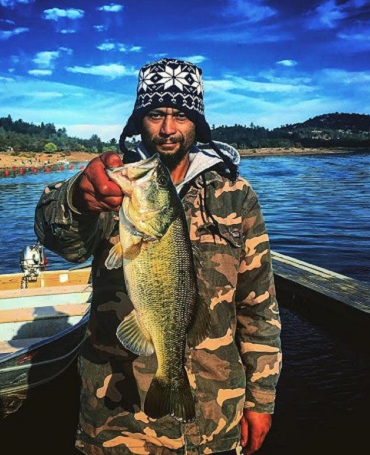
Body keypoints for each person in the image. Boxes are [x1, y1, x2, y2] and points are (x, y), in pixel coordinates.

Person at [34, 58, 282, 455]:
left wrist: (261, 400)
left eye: (181, 116)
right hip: (119, 424)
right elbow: (59, 237)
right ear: (138, 121)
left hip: (217, 419)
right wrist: (77, 199)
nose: (168, 128)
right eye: (155, 115)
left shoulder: (237, 194)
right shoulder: (114, 183)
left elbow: (259, 305)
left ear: (196, 124)